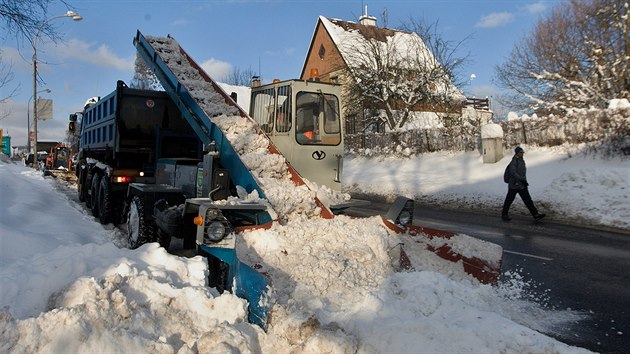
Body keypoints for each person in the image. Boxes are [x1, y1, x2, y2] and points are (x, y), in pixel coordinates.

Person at [501, 146, 546, 221]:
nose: (522, 154)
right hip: (514, 185)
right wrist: (521, 180)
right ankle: (504, 214)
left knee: (528, 200)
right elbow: (513, 173)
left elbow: (521, 173)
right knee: (509, 200)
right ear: (517, 153)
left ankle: (535, 214)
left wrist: (523, 181)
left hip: (522, 185)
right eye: (521, 152)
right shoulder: (514, 161)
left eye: (522, 152)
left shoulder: (521, 160)